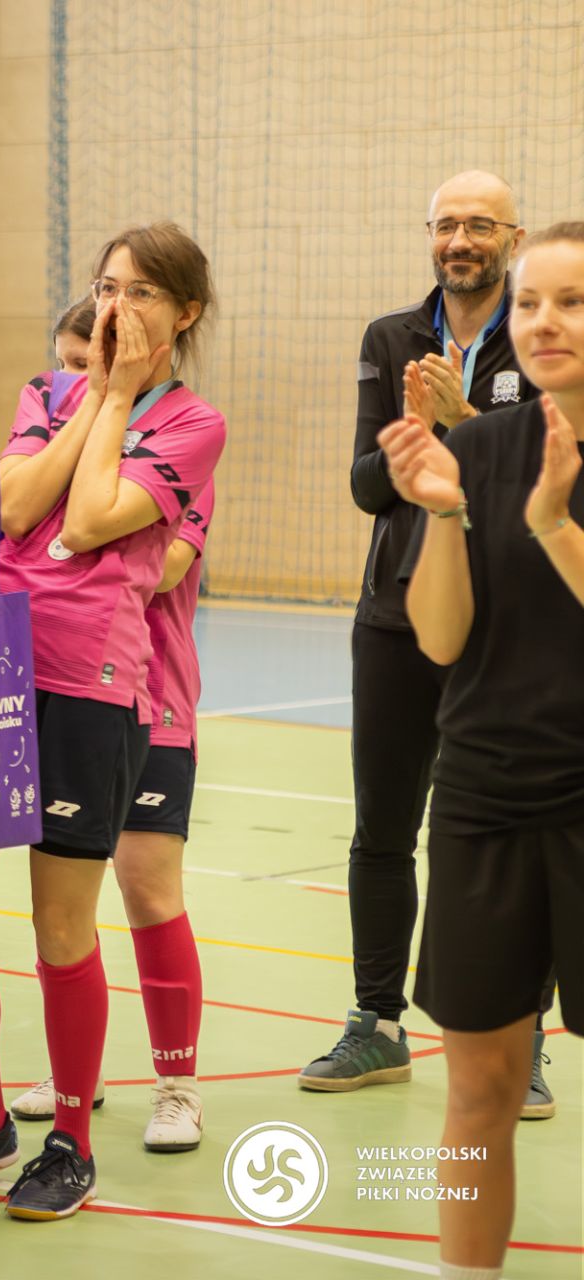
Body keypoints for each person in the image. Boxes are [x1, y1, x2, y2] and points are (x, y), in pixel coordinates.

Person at [0, 223, 224, 1221]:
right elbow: (17, 504)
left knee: (61, 921)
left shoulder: (194, 423)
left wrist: (114, 398)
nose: (118, 305)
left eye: (141, 291)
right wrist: (91, 400)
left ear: (185, 313)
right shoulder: (45, 392)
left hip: (90, 676)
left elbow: (84, 521)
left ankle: (72, 1138)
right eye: (106, 285)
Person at [374, 220, 584, 1280]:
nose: (545, 321)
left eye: (573, 302)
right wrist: (447, 514)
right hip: (484, 795)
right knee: (479, 1089)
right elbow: (441, 639)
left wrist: (554, 522)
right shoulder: (482, 446)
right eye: (531, 302)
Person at [320, 171, 553, 1106]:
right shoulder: (393, 338)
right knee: (382, 825)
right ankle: (376, 1024)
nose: (461, 240)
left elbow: (551, 474)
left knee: (510, 831)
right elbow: (366, 487)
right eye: (447, 224)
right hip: (395, 615)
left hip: (511, 623)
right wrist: (413, 432)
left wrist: (462, 425)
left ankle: (522, 1037)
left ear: (513, 237)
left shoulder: (541, 335)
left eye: (481, 225)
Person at [3, 299, 214, 1154]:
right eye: (65, 364)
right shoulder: (57, 416)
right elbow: (18, 515)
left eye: (87, 362)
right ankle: (74, 1069)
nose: (75, 379)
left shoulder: (181, 445)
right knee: (64, 899)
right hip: (49, 678)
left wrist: (71, 502)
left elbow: (159, 566)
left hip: (148, 696)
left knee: (148, 886)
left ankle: (177, 1083)